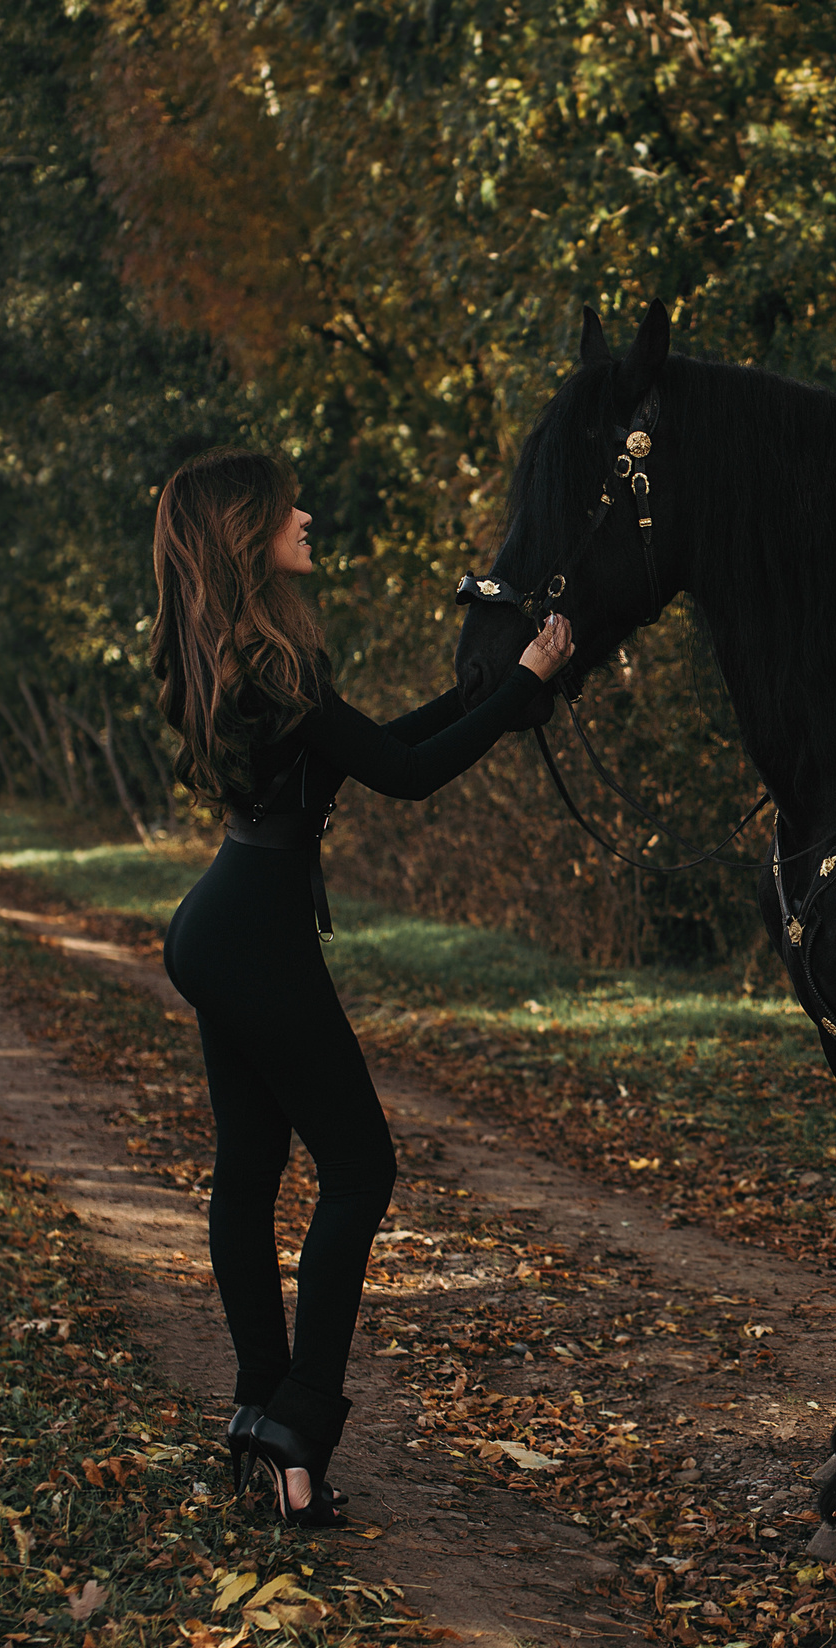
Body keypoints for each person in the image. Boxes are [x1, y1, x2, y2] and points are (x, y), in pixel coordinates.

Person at [149, 447, 568, 1525]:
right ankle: (296, 1422)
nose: (306, 513)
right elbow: (406, 777)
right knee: (361, 1168)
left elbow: (370, 748)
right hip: (252, 934)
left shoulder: (243, 657)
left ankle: (260, 1421)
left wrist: (488, 696)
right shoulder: (271, 667)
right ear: (249, 531)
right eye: (287, 505)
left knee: (248, 1173)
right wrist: (519, 691)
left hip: (224, 920)